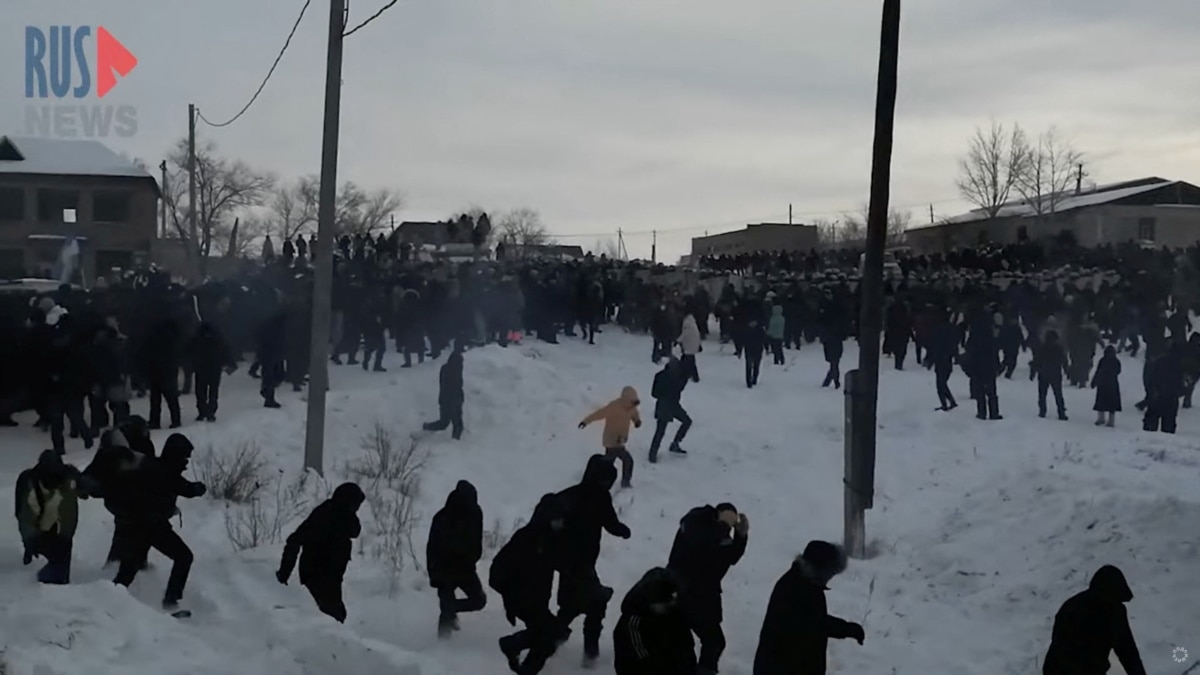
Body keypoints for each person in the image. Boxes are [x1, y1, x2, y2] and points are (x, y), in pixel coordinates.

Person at [551, 455, 632, 667]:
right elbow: (611, 523)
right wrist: (622, 530)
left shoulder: (574, 495)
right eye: (606, 481)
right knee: (595, 603)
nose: (607, 485)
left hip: (571, 561)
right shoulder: (591, 498)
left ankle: (553, 639)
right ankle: (589, 652)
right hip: (579, 561)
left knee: (569, 605)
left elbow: (609, 522)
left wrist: (621, 530)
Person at [113, 433, 207, 611]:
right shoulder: (165, 471)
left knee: (128, 570)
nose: (186, 462)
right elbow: (184, 488)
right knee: (184, 557)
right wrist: (196, 488)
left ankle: (110, 600)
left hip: (140, 526)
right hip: (151, 527)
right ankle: (171, 600)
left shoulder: (155, 466)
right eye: (185, 457)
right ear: (176, 455)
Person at [753, 540, 865, 675]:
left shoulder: (807, 584)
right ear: (821, 569)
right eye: (831, 573)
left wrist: (847, 628)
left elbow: (815, 620)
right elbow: (813, 624)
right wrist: (846, 629)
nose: (830, 577)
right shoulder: (796, 589)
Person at [667, 503, 748, 675]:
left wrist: (741, 536)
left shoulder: (721, 536)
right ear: (717, 513)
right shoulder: (697, 520)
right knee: (681, 640)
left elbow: (731, 557)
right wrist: (723, 526)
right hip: (682, 590)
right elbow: (698, 540)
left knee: (714, 642)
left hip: (704, 594)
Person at [493, 493, 568, 675]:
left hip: (538, 599)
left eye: (561, 520)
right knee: (551, 634)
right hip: (521, 599)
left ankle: (517, 653)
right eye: (556, 519)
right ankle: (514, 648)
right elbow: (497, 571)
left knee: (553, 635)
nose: (559, 523)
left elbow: (563, 563)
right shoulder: (525, 538)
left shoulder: (552, 540)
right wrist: (509, 598)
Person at [276, 482, 366, 623]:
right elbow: (295, 540)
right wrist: (283, 575)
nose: (356, 510)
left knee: (335, 616)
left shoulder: (341, 516)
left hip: (331, 578)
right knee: (330, 618)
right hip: (317, 576)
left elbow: (354, 531)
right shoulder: (325, 516)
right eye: (356, 506)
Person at [1042, 565, 1147, 675]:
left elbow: (1127, 650)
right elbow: (1063, 651)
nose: (1117, 604)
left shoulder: (1115, 612)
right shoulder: (1075, 610)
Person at [427, 480, 487, 637]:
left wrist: (474, 557)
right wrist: (435, 575)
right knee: (447, 605)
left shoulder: (475, 513)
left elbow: (477, 539)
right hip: (443, 569)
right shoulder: (443, 518)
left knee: (479, 600)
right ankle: (443, 643)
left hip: (465, 567)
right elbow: (432, 548)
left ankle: (450, 610)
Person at [16, 450, 85, 584]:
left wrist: (82, 483)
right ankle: (39, 584)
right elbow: (24, 517)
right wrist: (29, 541)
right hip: (39, 529)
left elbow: (85, 491)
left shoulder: (68, 476)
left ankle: (57, 584)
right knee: (56, 560)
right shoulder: (29, 484)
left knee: (62, 556)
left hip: (63, 529)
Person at [613, 567, 697, 675]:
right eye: (663, 605)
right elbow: (638, 655)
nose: (667, 607)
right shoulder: (632, 622)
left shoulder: (675, 612)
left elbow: (686, 646)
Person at [579, 386, 641, 489]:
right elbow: (599, 413)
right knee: (626, 460)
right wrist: (586, 421)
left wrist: (636, 421)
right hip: (611, 440)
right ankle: (622, 482)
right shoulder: (614, 407)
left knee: (609, 462)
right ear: (626, 400)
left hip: (620, 439)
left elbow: (634, 414)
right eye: (632, 402)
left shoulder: (631, 407)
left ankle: (597, 477)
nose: (633, 405)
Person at [188, 321, 235, 423]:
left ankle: (202, 411)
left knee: (200, 391)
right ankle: (211, 412)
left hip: (201, 368)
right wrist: (230, 363)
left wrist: (191, 365)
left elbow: (189, 352)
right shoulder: (218, 339)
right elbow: (225, 351)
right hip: (215, 368)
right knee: (213, 391)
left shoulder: (196, 339)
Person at [648, 357, 691, 463]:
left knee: (661, 430)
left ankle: (654, 453)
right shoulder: (679, 376)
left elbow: (654, 393)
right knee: (663, 429)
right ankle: (655, 453)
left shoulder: (660, 376)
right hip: (670, 404)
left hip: (665, 404)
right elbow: (680, 388)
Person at [423, 348, 465, 440]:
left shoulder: (445, 369)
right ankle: (455, 442)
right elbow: (457, 386)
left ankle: (427, 427)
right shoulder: (456, 371)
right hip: (454, 400)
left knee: (444, 423)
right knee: (457, 424)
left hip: (444, 399)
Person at [1034, 330, 1069, 421]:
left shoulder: (1042, 347)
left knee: (1042, 394)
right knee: (1058, 394)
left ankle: (1042, 411)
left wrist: (1033, 372)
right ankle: (1061, 412)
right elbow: (1064, 360)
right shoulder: (1059, 348)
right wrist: (1067, 370)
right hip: (1055, 373)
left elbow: (1036, 360)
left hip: (1043, 373)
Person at [1091, 345, 1121, 427]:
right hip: (1113, 384)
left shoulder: (1102, 360)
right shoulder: (1116, 361)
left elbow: (1098, 371)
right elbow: (1118, 371)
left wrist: (1094, 381)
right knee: (1112, 404)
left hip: (1102, 383)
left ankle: (1101, 419)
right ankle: (1111, 421)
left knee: (1101, 402)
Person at [678, 314, 702, 383]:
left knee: (689, 361)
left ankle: (694, 376)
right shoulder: (693, 324)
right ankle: (687, 374)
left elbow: (684, 334)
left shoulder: (687, 324)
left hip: (689, 346)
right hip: (694, 345)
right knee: (688, 360)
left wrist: (677, 340)